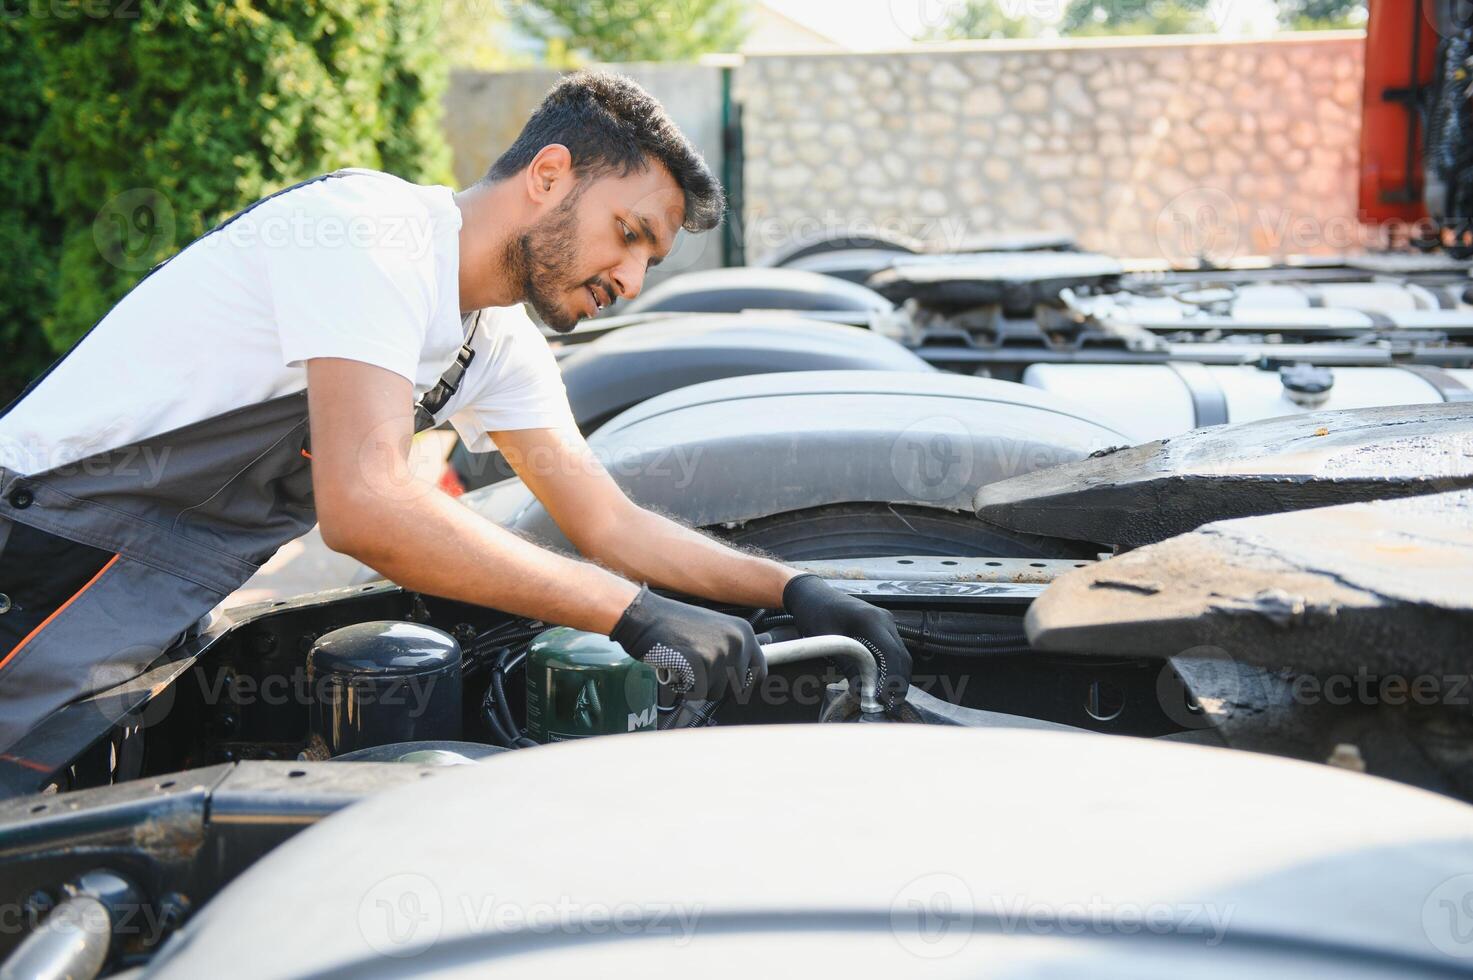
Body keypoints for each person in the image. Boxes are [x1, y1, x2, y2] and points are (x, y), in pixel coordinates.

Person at [0, 71, 910, 752]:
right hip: (39, 557)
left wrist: (791, 590)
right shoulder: (371, 233)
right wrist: (632, 617)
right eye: (630, 235)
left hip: (150, 605)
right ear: (549, 176)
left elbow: (608, 521)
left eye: (651, 263)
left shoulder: (492, 341)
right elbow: (367, 507)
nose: (630, 281)